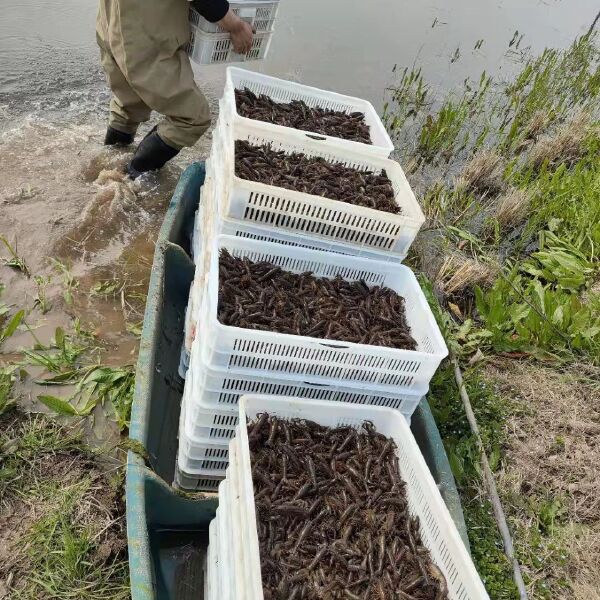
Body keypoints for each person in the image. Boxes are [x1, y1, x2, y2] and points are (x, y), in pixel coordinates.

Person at [96, 0, 253, 178]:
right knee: (192, 118)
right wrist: (236, 26)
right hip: (144, 39)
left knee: (129, 105)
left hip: (111, 27)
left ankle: (105, 170)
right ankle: (127, 178)